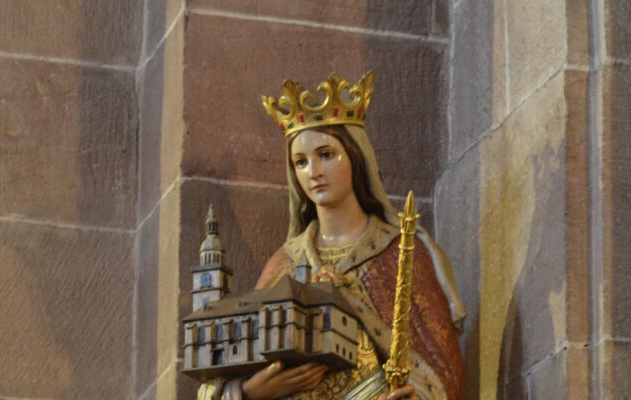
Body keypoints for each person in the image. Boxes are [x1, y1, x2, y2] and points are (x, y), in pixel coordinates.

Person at [197, 72, 465, 400]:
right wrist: (251, 391)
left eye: (326, 155)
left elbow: (442, 369)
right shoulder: (283, 264)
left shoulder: (400, 251)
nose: (314, 172)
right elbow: (223, 369)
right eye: (300, 162)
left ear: (355, 157)